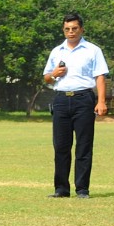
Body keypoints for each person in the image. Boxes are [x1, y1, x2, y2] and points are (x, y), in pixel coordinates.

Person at [43, 12, 108, 198]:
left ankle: (82, 189)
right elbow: (47, 78)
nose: (70, 32)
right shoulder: (57, 51)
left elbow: (100, 76)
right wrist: (54, 73)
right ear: (63, 30)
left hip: (83, 99)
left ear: (82, 29)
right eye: (67, 29)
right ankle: (61, 189)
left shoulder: (92, 50)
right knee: (61, 146)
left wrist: (101, 101)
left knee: (84, 146)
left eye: (74, 28)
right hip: (61, 99)